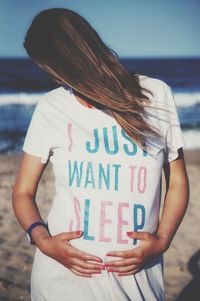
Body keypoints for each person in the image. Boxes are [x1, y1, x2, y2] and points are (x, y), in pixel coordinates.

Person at [12, 7, 189, 301]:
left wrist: (162, 242)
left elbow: (179, 183)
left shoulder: (156, 95)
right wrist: (43, 241)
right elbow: (22, 192)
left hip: (137, 285)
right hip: (62, 285)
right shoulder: (51, 107)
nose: (54, 78)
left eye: (50, 68)